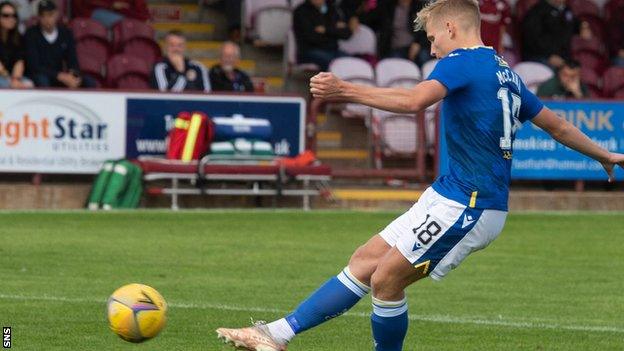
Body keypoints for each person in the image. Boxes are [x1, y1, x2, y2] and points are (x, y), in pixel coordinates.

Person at [215, 0, 624, 349]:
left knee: (387, 279)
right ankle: (274, 334)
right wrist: (602, 153)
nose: (432, 47)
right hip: (448, 195)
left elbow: (414, 101)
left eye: (432, 38)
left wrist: (346, 90)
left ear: (451, 27)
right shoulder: (506, 72)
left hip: (471, 204)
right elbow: (558, 126)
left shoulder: (462, 63)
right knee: (365, 261)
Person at [25, 0, 95, 88]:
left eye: (50, 15)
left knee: (88, 82)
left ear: (56, 14)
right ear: (39, 17)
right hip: (42, 75)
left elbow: (72, 59)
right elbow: (34, 65)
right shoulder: (31, 34)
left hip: (60, 76)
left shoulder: (65, 33)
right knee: (42, 80)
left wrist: (72, 74)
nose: (47, 20)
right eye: (43, 16)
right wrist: (59, 76)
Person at [293, 0, 352, 71]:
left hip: (332, 49)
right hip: (309, 51)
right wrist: (334, 29)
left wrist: (326, 30)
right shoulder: (301, 11)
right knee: (335, 65)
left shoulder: (331, 9)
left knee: (352, 62)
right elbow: (312, 38)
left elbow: (346, 34)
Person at [521, 0, 580, 68]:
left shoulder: (566, 9)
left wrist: (582, 27)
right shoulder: (537, 12)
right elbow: (531, 39)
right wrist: (548, 56)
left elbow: (574, 24)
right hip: (540, 56)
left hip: (562, 56)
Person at [377, 0, 431, 67]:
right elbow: (371, 19)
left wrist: (418, 43)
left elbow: (427, 30)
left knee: (424, 57)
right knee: (395, 65)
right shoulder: (387, 6)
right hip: (396, 47)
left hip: (417, 45)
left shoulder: (420, 6)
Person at [0, 1, 32, 88]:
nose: (11, 18)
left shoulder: (19, 38)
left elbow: (20, 61)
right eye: (6, 15)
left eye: (14, 16)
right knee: (5, 84)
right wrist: (9, 80)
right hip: (3, 76)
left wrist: (15, 79)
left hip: (11, 76)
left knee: (29, 84)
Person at [72, 0, 150, 28]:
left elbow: (140, 6)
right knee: (126, 24)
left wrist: (144, 17)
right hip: (93, 11)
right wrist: (111, 5)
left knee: (141, 26)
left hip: (122, 14)